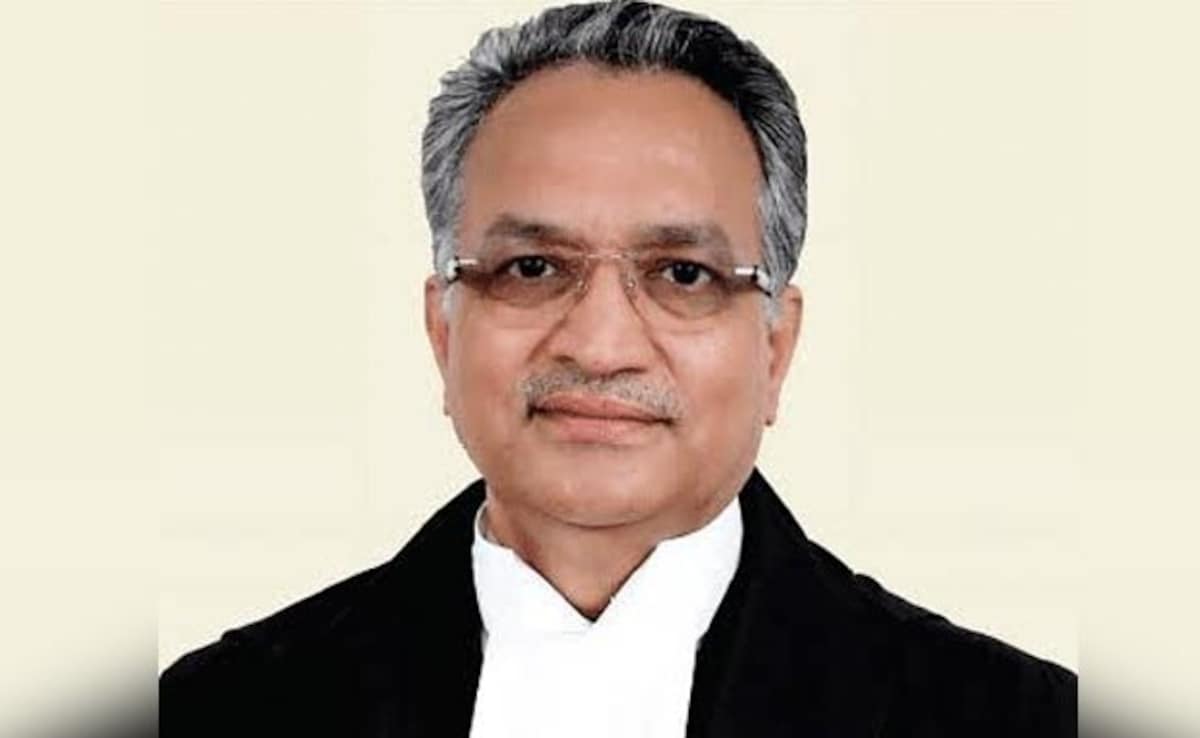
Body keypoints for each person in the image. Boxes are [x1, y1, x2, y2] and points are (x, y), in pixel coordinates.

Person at [160, 1, 1076, 736]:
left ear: (775, 347)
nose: (600, 346)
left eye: (683, 274)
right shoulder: (214, 710)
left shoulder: (1019, 719)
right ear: (444, 330)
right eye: (532, 268)